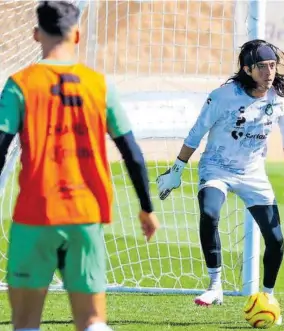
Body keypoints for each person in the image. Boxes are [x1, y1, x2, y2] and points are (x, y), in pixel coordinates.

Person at [0, 2, 160, 330]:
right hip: (85, 217)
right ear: (77, 34)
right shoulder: (99, 85)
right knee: (91, 322)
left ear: (35, 34)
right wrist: (146, 208)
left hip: (35, 215)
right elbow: (132, 153)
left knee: (25, 322)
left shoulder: (20, 84)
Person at [156, 39, 284, 324]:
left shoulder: (280, 99)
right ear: (248, 69)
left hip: (253, 173)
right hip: (217, 168)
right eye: (262, 66)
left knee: (275, 239)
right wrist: (177, 169)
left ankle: (268, 295)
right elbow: (196, 132)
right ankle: (215, 286)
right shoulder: (223, 96)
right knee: (209, 213)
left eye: (272, 65)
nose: (269, 72)